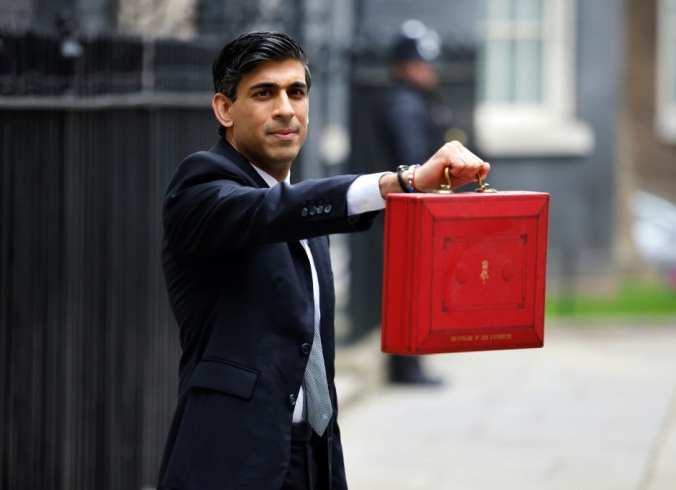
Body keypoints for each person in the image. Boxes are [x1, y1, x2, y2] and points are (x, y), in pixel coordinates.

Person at [157, 31, 489, 490]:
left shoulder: (303, 208)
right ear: (224, 109)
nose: (285, 109)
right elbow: (271, 212)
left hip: (314, 456)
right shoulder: (200, 188)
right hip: (231, 461)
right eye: (263, 93)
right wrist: (401, 182)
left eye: (296, 92)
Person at [378, 21, 452, 386]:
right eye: (422, 63)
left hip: (419, 208)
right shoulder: (403, 104)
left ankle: (413, 362)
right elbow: (412, 158)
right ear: (404, 65)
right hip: (407, 210)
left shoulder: (418, 100)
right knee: (408, 288)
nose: (430, 70)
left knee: (418, 286)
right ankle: (406, 367)